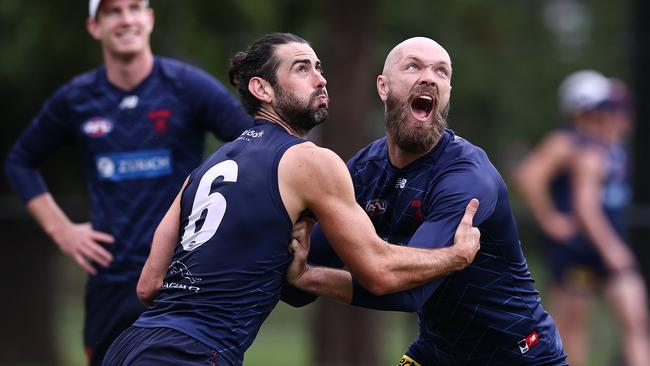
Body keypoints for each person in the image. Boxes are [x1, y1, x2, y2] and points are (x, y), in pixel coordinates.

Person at [101, 32, 481, 366]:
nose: (320, 79)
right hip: (190, 353)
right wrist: (455, 256)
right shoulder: (309, 160)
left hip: (132, 344)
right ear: (261, 89)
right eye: (302, 69)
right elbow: (378, 271)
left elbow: (149, 286)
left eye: (318, 67)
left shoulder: (204, 169)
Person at [283, 37, 568, 365]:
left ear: (447, 94)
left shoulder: (467, 176)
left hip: (518, 355)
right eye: (413, 66)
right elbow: (299, 276)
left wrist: (308, 277)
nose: (429, 77)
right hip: (438, 351)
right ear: (383, 87)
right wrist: (286, 266)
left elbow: (406, 291)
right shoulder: (366, 169)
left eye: (441, 72)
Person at [3, 0, 254, 364]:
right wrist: (62, 231)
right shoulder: (77, 98)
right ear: (95, 26)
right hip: (111, 279)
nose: (126, 19)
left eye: (135, 8)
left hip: (179, 277)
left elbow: (253, 145)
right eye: (113, 11)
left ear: (149, 19)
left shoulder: (188, 86)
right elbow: (20, 162)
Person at [515, 71, 650, 366]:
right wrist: (550, 218)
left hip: (604, 243)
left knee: (634, 318)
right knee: (572, 325)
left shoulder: (605, 144)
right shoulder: (567, 142)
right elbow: (529, 176)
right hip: (577, 249)